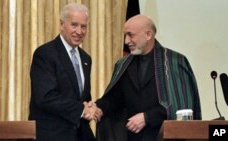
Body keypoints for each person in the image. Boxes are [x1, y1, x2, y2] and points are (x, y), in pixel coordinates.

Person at [92, 14, 202, 141]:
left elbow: (182, 106)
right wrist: (97, 107)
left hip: (165, 137)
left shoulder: (174, 62)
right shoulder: (123, 64)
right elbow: (114, 99)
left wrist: (147, 117)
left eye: (130, 35)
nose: (126, 41)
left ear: (148, 35)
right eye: (125, 35)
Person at [29, 3, 96, 141]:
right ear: (61, 25)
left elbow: (82, 96)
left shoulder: (86, 58)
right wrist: (82, 110)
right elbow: (46, 97)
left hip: (80, 134)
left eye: (83, 26)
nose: (79, 31)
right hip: (52, 135)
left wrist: (91, 106)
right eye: (74, 25)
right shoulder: (45, 54)